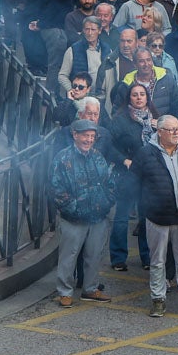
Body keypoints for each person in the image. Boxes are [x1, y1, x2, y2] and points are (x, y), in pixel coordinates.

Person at [134, 114, 178, 319]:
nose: (176, 133)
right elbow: (136, 183)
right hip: (157, 217)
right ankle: (158, 300)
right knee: (157, 261)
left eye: (177, 129)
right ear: (160, 132)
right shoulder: (146, 153)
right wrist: (146, 206)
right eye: (171, 129)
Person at [49, 120, 117, 306]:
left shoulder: (97, 157)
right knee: (68, 256)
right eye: (85, 136)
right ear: (75, 135)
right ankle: (65, 291)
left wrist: (106, 203)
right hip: (73, 218)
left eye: (92, 136)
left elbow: (109, 183)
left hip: (97, 217)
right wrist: (74, 209)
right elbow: (56, 189)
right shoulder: (63, 159)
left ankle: (90, 289)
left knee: (94, 255)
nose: (88, 140)